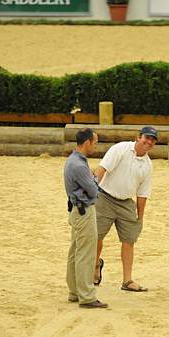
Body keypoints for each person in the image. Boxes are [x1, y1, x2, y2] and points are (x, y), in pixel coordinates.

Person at [94, 126, 158, 292]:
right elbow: (102, 170)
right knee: (97, 236)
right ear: (138, 137)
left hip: (126, 203)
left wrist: (140, 217)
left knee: (129, 240)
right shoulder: (120, 149)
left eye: (152, 140)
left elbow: (143, 193)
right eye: (147, 138)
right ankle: (95, 264)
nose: (149, 142)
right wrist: (91, 192)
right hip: (104, 197)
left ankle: (127, 280)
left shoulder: (148, 165)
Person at [63, 128, 108, 309]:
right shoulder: (80, 165)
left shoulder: (72, 160)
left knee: (75, 251)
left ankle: (74, 291)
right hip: (84, 211)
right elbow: (93, 190)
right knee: (86, 254)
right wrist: (94, 178)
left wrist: (92, 179)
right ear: (87, 142)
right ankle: (86, 296)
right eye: (95, 142)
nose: (96, 146)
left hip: (76, 210)